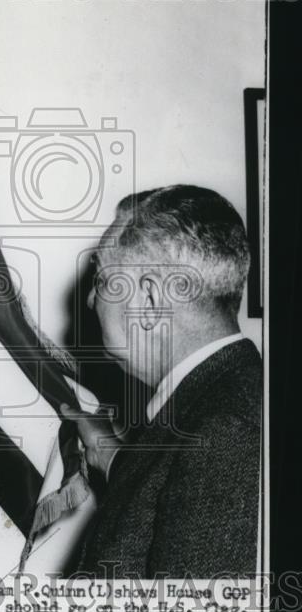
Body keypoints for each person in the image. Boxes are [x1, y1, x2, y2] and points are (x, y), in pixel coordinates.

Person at [61, 185, 261, 578]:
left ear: (148, 302)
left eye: (102, 280)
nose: (89, 301)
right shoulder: (218, 401)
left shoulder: (226, 433)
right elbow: (179, 498)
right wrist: (113, 455)